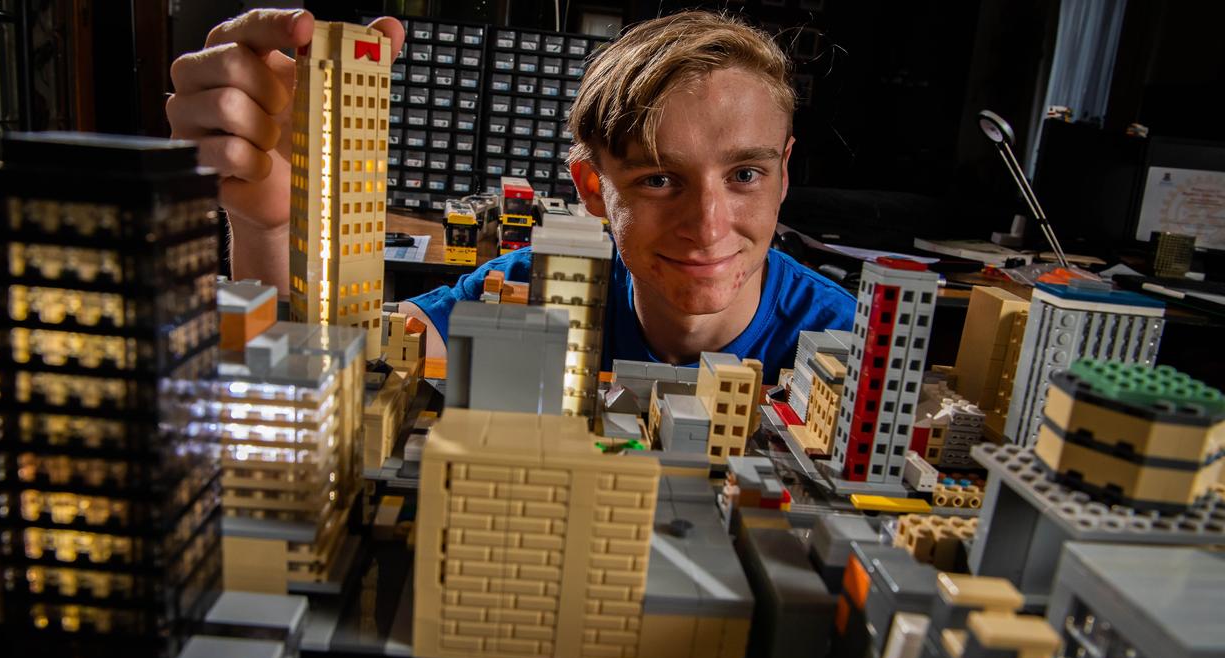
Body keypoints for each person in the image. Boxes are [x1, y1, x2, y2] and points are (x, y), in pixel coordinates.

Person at [168, 9, 854, 383]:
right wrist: (268, 228)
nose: (708, 226)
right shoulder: (525, 290)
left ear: (784, 173)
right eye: (658, 179)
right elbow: (332, 363)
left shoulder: (847, 342)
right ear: (592, 189)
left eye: (744, 175)